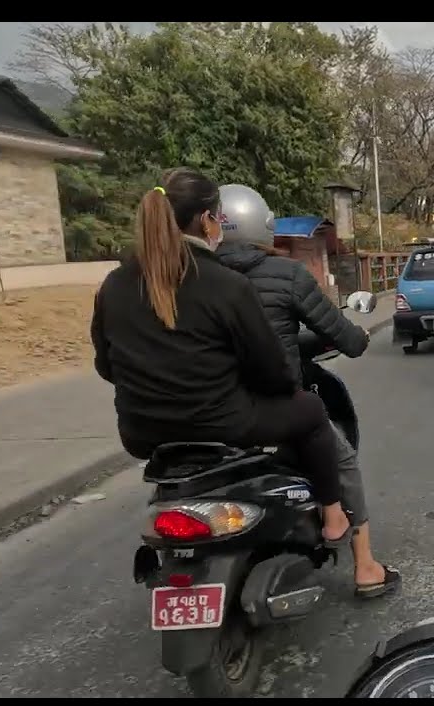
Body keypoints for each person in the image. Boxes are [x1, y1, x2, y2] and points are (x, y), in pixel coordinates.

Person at [89, 167, 351, 547]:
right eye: (215, 218)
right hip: (224, 424)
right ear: (208, 220)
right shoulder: (225, 284)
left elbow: (106, 365)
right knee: (309, 411)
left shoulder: (114, 285)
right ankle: (333, 515)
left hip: (142, 433)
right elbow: (273, 371)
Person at [212, 184, 400, 598]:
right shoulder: (285, 273)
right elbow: (347, 339)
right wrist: (356, 336)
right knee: (343, 462)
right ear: (263, 226)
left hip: (204, 412)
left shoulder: (190, 276)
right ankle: (365, 567)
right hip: (273, 409)